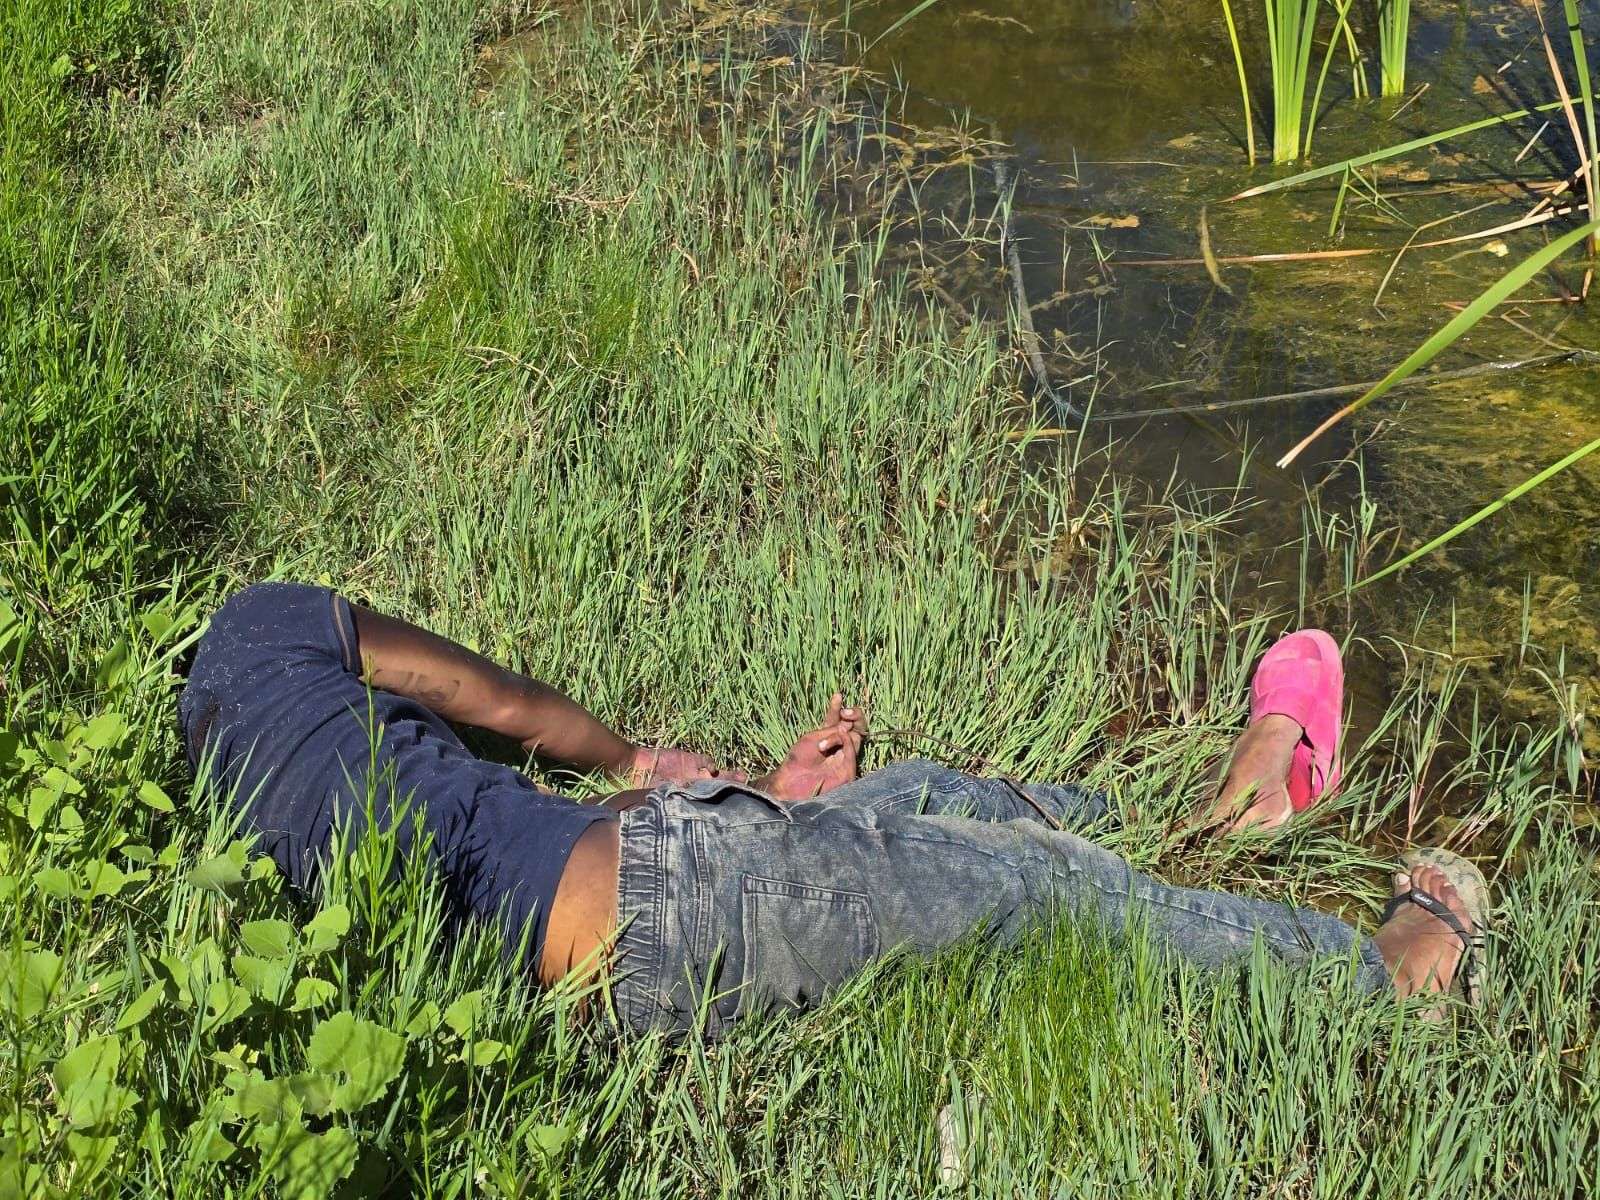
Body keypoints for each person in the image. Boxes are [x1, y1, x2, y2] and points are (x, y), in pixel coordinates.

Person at [181, 582, 1487, 1037]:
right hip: (664, 913)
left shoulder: (232, 792)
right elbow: (505, 707)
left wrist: (759, 795)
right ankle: (1381, 973)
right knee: (1025, 889)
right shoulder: (268, 630)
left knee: (913, 802)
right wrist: (641, 753)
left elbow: (490, 800)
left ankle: (1186, 825)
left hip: (621, 913)